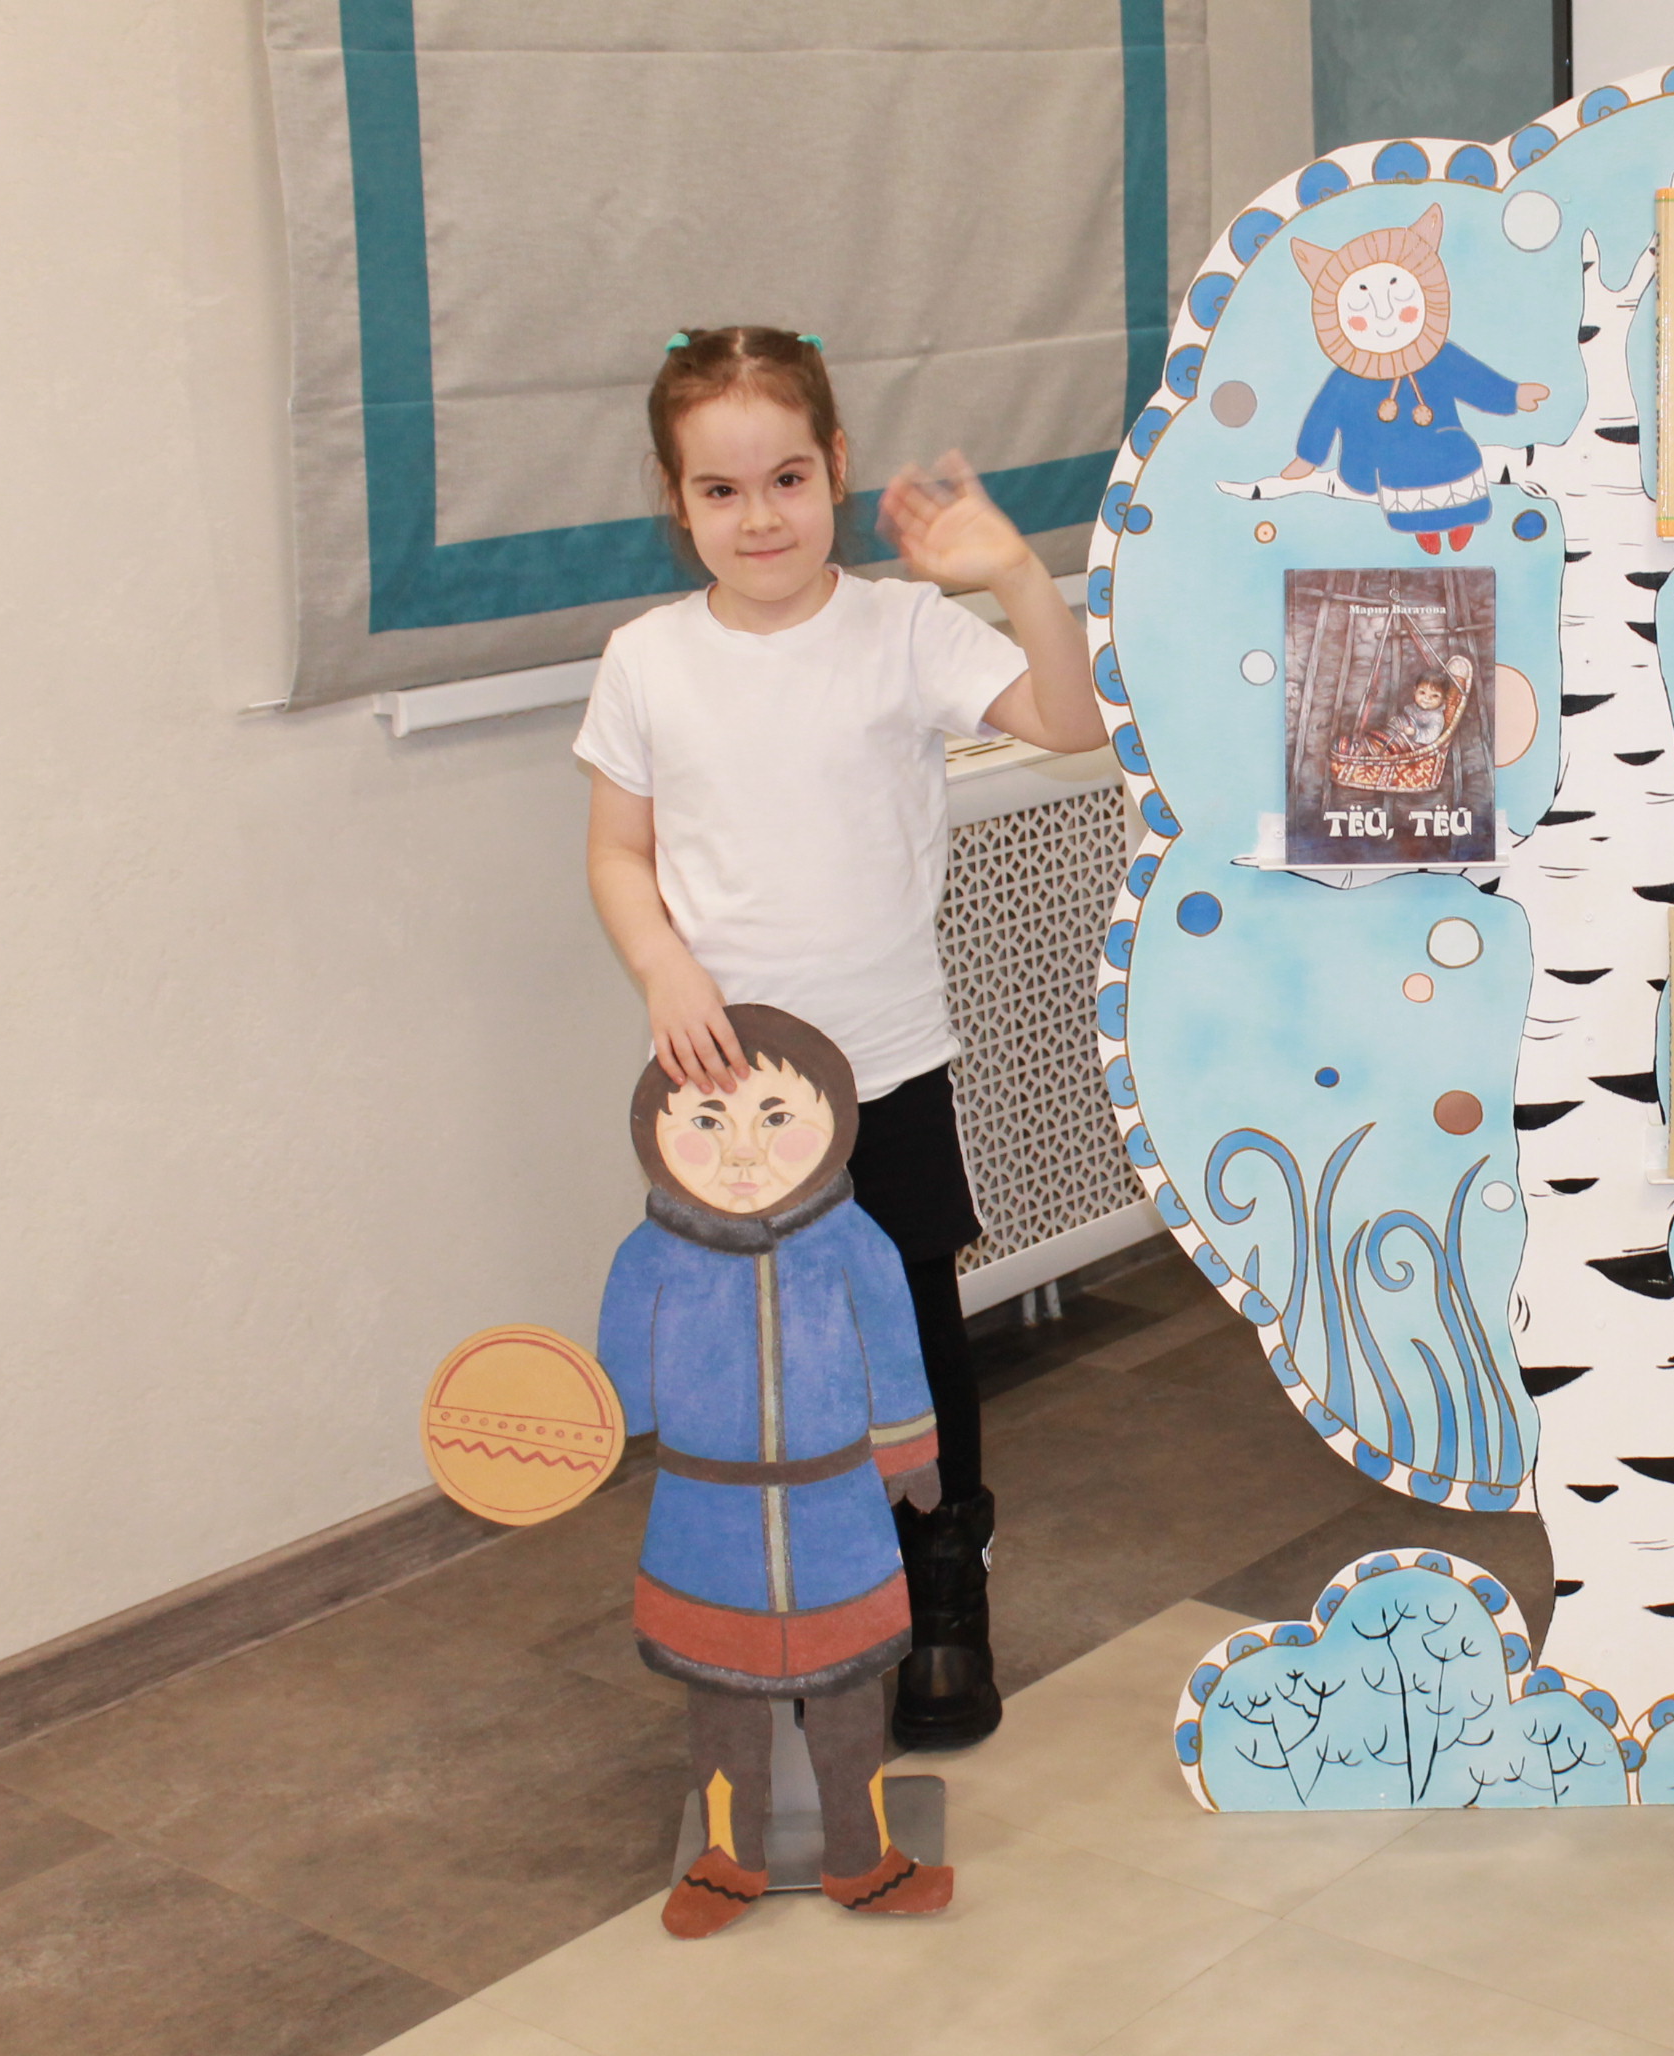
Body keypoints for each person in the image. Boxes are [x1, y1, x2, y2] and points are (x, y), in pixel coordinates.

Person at [577, 326, 1108, 1750]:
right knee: (752, 1361)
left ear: (837, 469)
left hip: (889, 1070)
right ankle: (790, 1609)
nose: (759, 518)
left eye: (787, 480)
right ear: (675, 499)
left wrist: (1015, 575)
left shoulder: (903, 629)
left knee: (911, 1336)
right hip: (725, 1090)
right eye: (721, 490)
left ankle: (944, 1597)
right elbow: (619, 851)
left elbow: (1072, 720)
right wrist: (661, 967)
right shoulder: (646, 661)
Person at [600, 1008, 954, 1935]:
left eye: (775, 1118)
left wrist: (908, 1451)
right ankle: (730, 1857)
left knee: (847, 1693)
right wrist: (577, 1435)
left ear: (831, 1121)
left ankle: (861, 1856)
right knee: (719, 1694)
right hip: (702, 1520)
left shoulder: (856, 1244)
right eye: (708, 1122)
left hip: (835, 1512)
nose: (743, 1151)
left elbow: (894, 1355)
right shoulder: (646, 1259)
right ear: (658, 1131)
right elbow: (618, 1396)